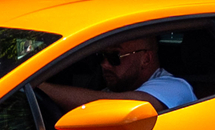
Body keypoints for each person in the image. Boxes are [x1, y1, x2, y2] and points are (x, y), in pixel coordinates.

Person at [36, 32, 197, 116]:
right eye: (101, 56)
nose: (104, 64)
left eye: (115, 57)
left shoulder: (175, 88)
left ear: (146, 59)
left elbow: (109, 105)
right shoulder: (112, 90)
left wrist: (38, 86)